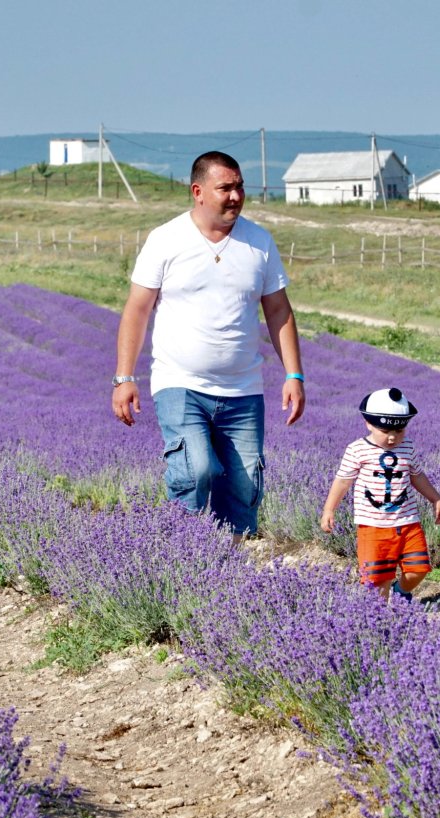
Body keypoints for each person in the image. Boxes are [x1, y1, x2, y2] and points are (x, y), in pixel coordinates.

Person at [112, 151, 305, 539]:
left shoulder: (259, 242)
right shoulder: (166, 240)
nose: (235, 196)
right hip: (180, 382)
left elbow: (279, 311)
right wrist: (124, 378)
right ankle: (180, 557)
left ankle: (226, 574)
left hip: (243, 389)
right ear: (198, 192)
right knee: (194, 469)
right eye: (225, 188)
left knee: (245, 487)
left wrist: (294, 374)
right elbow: (137, 310)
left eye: (239, 187)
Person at [320, 387, 440, 600]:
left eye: (399, 431)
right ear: (368, 423)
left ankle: (401, 592)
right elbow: (343, 481)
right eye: (385, 431)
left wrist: (435, 498)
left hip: (408, 522)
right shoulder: (357, 450)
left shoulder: (407, 447)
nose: (392, 438)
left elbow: (417, 475)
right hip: (373, 527)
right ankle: (381, 623)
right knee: (378, 582)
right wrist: (329, 509)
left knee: (419, 569)